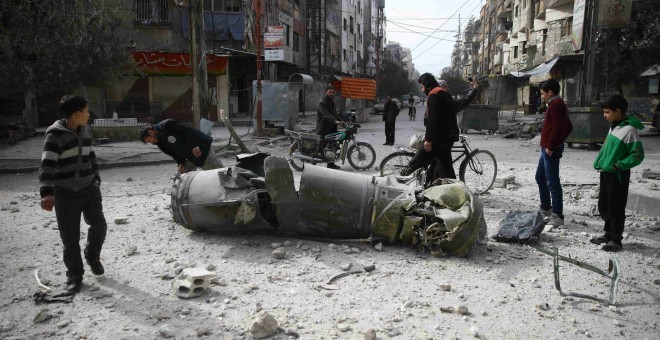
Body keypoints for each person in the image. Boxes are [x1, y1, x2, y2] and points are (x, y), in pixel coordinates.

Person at [38, 95, 108, 293]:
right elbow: (47, 164)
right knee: (70, 237)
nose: (88, 115)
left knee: (99, 225)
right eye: (86, 111)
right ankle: (75, 275)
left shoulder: (85, 131)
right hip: (65, 193)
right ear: (77, 113)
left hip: (89, 189)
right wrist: (46, 192)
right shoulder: (55, 135)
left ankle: (92, 256)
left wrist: (96, 178)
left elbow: (91, 155)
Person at [402, 74, 479, 186]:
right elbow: (464, 102)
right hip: (448, 138)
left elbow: (432, 120)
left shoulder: (434, 95)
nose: (422, 89)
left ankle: (399, 181)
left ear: (427, 86)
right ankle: (435, 187)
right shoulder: (445, 95)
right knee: (442, 166)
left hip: (439, 138)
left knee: (417, 161)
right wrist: (475, 88)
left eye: (422, 86)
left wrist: (428, 139)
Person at [590, 95, 644, 252]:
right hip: (606, 172)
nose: (604, 115)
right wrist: (600, 162)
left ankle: (616, 240)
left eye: (607, 112)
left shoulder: (629, 130)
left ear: (618, 111)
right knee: (604, 205)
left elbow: (637, 155)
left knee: (616, 207)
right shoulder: (613, 127)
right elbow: (606, 148)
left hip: (618, 174)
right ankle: (608, 234)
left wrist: (619, 165)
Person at [536, 79, 573, 226]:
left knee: (552, 182)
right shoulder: (554, 104)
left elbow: (559, 128)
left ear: (550, 92)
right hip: (547, 148)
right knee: (540, 177)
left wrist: (552, 146)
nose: (541, 96)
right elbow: (568, 126)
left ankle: (558, 216)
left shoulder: (556, 105)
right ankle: (546, 207)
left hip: (550, 149)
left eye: (542, 94)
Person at [140, 119, 222, 174]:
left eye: (150, 140)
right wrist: (180, 164)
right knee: (184, 177)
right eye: (149, 142)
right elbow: (174, 154)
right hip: (189, 157)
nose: (151, 142)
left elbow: (188, 131)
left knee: (217, 172)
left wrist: (195, 146)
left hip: (201, 148)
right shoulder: (160, 143)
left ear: (151, 132)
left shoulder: (167, 125)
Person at [316, 86, 343, 169]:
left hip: (331, 128)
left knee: (332, 146)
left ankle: (331, 164)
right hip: (324, 128)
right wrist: (335, 121)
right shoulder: (322, 103)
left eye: (332, 92)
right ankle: (310, 162)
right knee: (321, 148)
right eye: (329, 92)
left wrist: (341, 120)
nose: (331, 94)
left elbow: (334, 114)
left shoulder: (332, 102)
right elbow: (326, 114)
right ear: (326, 93)